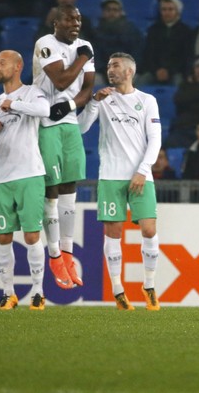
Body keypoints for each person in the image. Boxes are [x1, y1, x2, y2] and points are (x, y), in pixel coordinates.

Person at [78, 53, 163, 311]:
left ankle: (148, 286)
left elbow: (155, 139)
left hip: (141, 176)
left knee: (148, 230)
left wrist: (143, 170)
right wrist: (93, 102)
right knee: (113, 233)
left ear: (129, 72)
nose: (110, 70)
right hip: (111, 177)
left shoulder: (147, 101)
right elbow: (81, 128)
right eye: (108, 66)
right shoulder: (103, 100)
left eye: (115, 66)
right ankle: (118, 291)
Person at [0, 50, 50, 310]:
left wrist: (14, 104)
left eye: (2, 62)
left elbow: (45, 110)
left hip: (30, 173)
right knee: (3, 237)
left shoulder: (32, 93)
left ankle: (38, 292)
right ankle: (8, 293)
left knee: (32, 236)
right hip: (1, 177)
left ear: (18, 66)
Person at [32, 4, 96, 289]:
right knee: (52, 190)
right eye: (70, 18)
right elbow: (60, 82)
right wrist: (82, 59)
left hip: (69, 123)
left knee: (71, 189)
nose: (76, 23)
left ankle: (68, 255)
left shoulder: (85, 45)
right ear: (55, 22)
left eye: (79, 18)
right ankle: (54, 255)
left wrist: (71, 105)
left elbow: (87, 89)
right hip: (46, 123)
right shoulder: (46, 44)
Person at [138, 0, 196, 86]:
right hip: (154, 71)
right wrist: (156, 70)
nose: (167, 12)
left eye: (170, 9)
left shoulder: (186, 31)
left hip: (177, 72)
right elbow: (148, 54)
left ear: (177, 11)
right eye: (164, 9)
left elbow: (186, 56)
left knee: (179, 83)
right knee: (141, 82)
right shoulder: (153, 30)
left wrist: (169, 71)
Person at [91, 0, 144, 86]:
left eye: (115, 10)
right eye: (108, 10)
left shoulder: (132, 31)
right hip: (104, 72)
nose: (112, 13)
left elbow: (137, 53)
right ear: (103, 12)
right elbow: (95, 55)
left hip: (127, 71)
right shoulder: (95, 32)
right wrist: (107, 70)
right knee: (94, 79)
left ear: (121, 12)